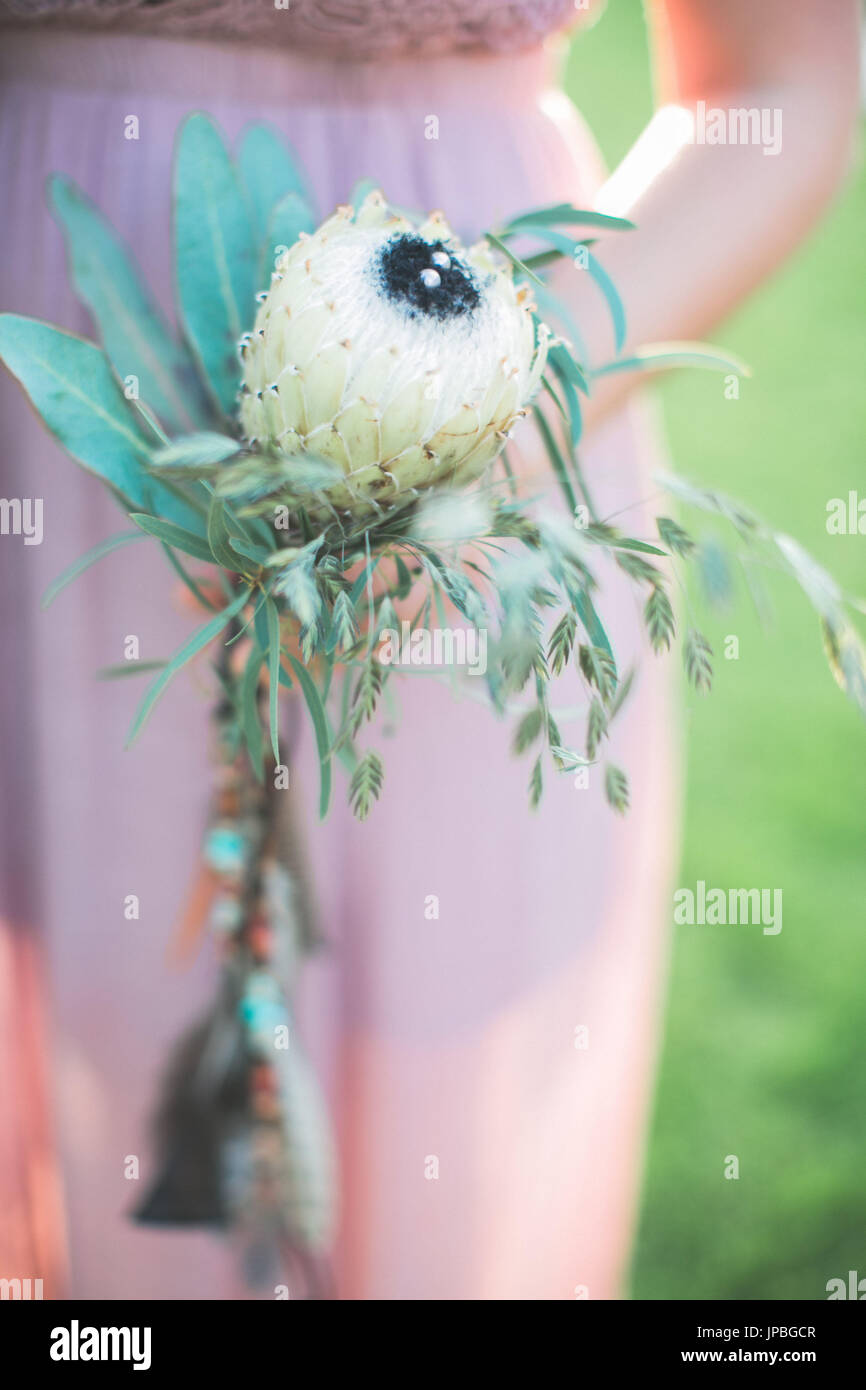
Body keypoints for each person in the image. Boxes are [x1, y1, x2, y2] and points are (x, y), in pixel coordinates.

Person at [0, 0, 858, 1300]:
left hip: (484, 438)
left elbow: (777, 83)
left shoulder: (482, 437)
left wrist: (479, 441)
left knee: (434, 1081)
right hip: (45, 446)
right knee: (87, 1048)